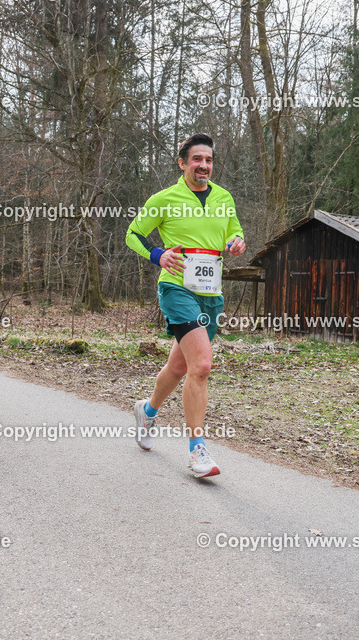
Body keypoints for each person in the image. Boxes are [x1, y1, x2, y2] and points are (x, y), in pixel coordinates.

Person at [125, 133, 245, 478]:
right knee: (203, 365)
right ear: (182, 163)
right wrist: (158, 255)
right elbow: (133, 234)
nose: (204, 166)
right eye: (197, 160)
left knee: (180, 367)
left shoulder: (224, 197)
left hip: (211, 292)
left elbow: (234, 233)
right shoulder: (165, 198)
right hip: (177, 288)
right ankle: (198, 451)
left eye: (208, 160)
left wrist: (236, 242)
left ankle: (147, 411)